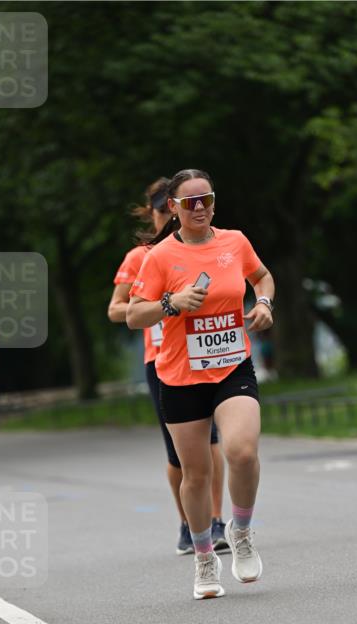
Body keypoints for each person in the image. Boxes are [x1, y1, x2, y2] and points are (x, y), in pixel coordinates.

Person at [127, 168, 275, 600]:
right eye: (190, 202)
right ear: (172, 208)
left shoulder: (235, 241)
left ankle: (242, 530)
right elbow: (135, 314)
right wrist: (171, 303)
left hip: (232, 366)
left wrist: (263, 302)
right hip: (180, 375)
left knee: (243, 452)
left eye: (206, 199)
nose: (200, 209)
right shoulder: (158, 257)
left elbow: (262, 276)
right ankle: (204, 558)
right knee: (196, 474)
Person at [108, 178, 229, 556]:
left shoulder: (200, 247)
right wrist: (165, 302)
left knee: (212, 443)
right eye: (163, 210)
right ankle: (186, 522)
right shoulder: (142, 256)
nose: (171, 216)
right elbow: (118, 309)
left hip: (203, 353)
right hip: (161, 360)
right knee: (179, 454)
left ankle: (216, 520)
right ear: (157, 212)